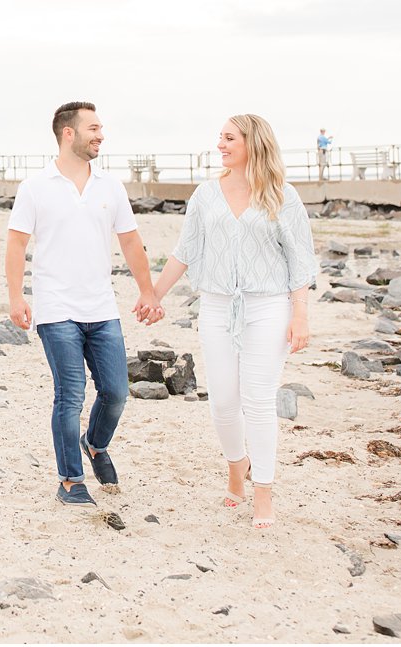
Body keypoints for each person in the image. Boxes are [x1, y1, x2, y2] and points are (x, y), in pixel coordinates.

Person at [149, 115, 315, 529]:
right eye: (219, 137)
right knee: (223, 402)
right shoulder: (206, 195)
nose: (220, 144)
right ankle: (236, 467)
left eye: (229, 138)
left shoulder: (282, 195)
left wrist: (300, 315)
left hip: (268, 306)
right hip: (218, 306)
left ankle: (263, 492)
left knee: (258, 401)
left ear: (252, 143)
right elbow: (185, 251)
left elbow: (300, 261)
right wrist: (154, 294)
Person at [5, 102, 162, 507]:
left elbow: (130, 241)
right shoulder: (35, 187)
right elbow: (17, 243)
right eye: (93, 127)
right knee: (70, 394)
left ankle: (94, 444)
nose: (101, 135)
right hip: (56, 307)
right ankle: (71, 481)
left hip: (102, 307)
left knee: (116, 392)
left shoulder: (110, 186)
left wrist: (148, 292)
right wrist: (16, 296)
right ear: (68, 133)